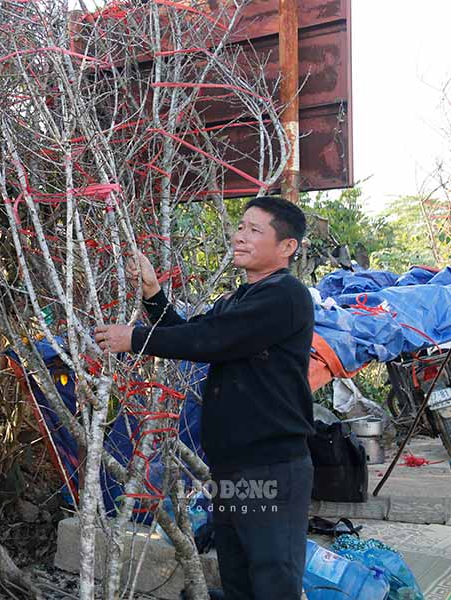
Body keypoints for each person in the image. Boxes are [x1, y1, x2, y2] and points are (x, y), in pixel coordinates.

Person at [94, 196, 315, 600]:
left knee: (272, 579)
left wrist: (135, 339)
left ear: (287, 247)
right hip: (233, 469)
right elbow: (190, 332)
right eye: (241, 226)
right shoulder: (237, 300)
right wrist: (153, 293)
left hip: (270, 468)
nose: (240, 236)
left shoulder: (286, 296)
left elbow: (210, 340)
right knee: (238, 575)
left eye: (254, 230)